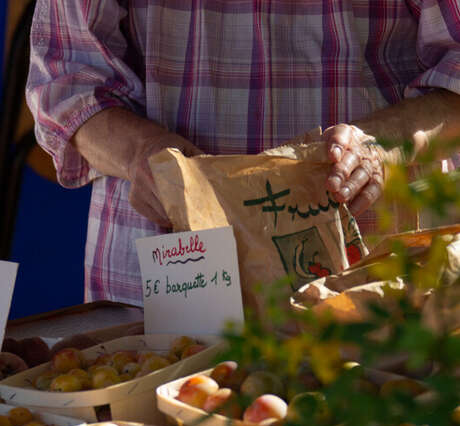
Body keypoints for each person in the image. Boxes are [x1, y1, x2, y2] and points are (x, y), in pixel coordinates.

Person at [26, 1, 460, 306]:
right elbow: (67, 82)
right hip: (169, 260)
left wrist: (378, 144)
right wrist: (141, 152)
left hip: (372, 264)